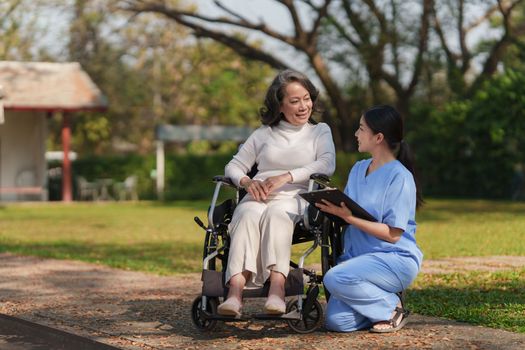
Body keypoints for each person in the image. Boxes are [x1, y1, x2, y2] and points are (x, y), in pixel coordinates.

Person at [217, 69, 336, 316]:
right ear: (280, 106)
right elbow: (234, 165)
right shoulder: (263, 134)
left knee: (277, 214)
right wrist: (247, 182)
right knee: (246, 214)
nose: (304, 106)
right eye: (295, 101)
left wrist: (287, 176)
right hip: (258, 195)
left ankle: (277, 290)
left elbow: (326, 163)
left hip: (295, 198)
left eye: (307, 98)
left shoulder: (319, 131)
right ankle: (234, 294)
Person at [315, 105, 423, 333]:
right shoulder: (358, 169)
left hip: (393, 259)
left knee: (333, 278)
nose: (356, 134)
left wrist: (349, 218)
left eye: (361, 129)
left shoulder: (400, 177)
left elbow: (393, 235)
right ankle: (383, 304)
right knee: (337, 321)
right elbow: (348, 209)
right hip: (358, 262)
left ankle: (391, 309)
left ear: (378, 137)